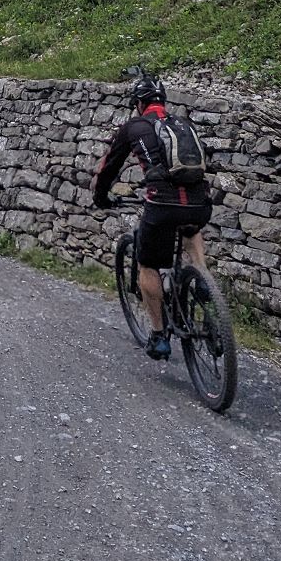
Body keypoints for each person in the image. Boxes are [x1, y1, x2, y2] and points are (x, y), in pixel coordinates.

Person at [93, 72, 212, 360]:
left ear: (138, 104)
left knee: (148, 263)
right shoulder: (183, 124)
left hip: (161, 204)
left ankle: (158, 335)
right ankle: (203, 278)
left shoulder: (134, 127)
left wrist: (101, 198)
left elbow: (109, 167)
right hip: (198, 202)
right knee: (190, 228)